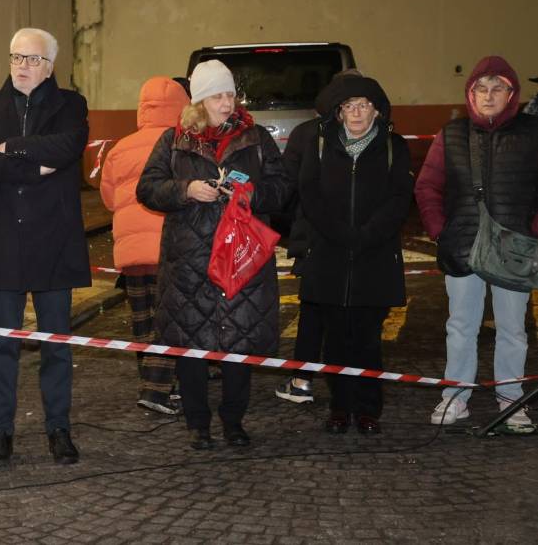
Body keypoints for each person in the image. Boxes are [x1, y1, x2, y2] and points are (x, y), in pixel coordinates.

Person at [137, 60, 290, 449]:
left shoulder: (255, 138)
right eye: (218, 95)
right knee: (191, 347)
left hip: (242, 260)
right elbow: (148, 188)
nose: (227, 102)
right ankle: (197, 425)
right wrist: (186, 190)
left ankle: (234, 422)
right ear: (200, 100)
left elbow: (283, 188)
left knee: (238, 346)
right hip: (189, 261)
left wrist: (251, 194)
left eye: (230, 94)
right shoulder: (174, 139)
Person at [0, 28, 90, 467]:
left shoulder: (70, 105)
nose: (22, 66)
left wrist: (12, 148)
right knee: (2, 345)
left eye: (32, 59)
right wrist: (37, 167)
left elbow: (68, 146)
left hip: (54, 241)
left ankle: (59, 429)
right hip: (1, 242)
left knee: (57, 344)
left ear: (50, 65)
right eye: (16, 57)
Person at [415, 56, 538, 426]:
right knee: (460, 327)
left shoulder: (532, 132)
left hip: (515, 251)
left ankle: (511, 400)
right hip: (463, 247)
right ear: (470, 94)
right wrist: (441, 232)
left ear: (511, 94)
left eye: (497, 88)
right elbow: (427, 186)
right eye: (481, 89)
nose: (488, 96)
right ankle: (455, 397)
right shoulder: (450, 134)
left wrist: (533, 231)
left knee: (513, 330)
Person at [298, 74, 412, 434]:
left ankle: (367, 410)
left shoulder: (394, 146)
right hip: (329, 257)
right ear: (339, 112)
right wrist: (342, 234)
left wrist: (365, 235)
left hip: (374, 258)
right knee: (334, 342)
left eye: (364, 105)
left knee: (367, 341)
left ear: (377, 111)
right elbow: (309, 192)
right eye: (349, 106)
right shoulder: (321, 145)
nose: (357, 112)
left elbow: (399, 199)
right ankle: (339, 407)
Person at [99, 76, 189, 415]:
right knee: (169, 322)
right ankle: (157, 392)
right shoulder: (181, 144)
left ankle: (156, 385)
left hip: (133, 252)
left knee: (144, 321)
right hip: (171, 248)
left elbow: (108, 198)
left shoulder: (121, 147)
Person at [275, 68, 363, 405]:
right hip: (353, 240)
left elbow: (288, 187)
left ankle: (302, 380)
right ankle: (351, 383)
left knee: (313, 312)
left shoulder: (305, 133)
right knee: (351, 313)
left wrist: (293, 229)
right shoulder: (371, 132)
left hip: (313, 238)